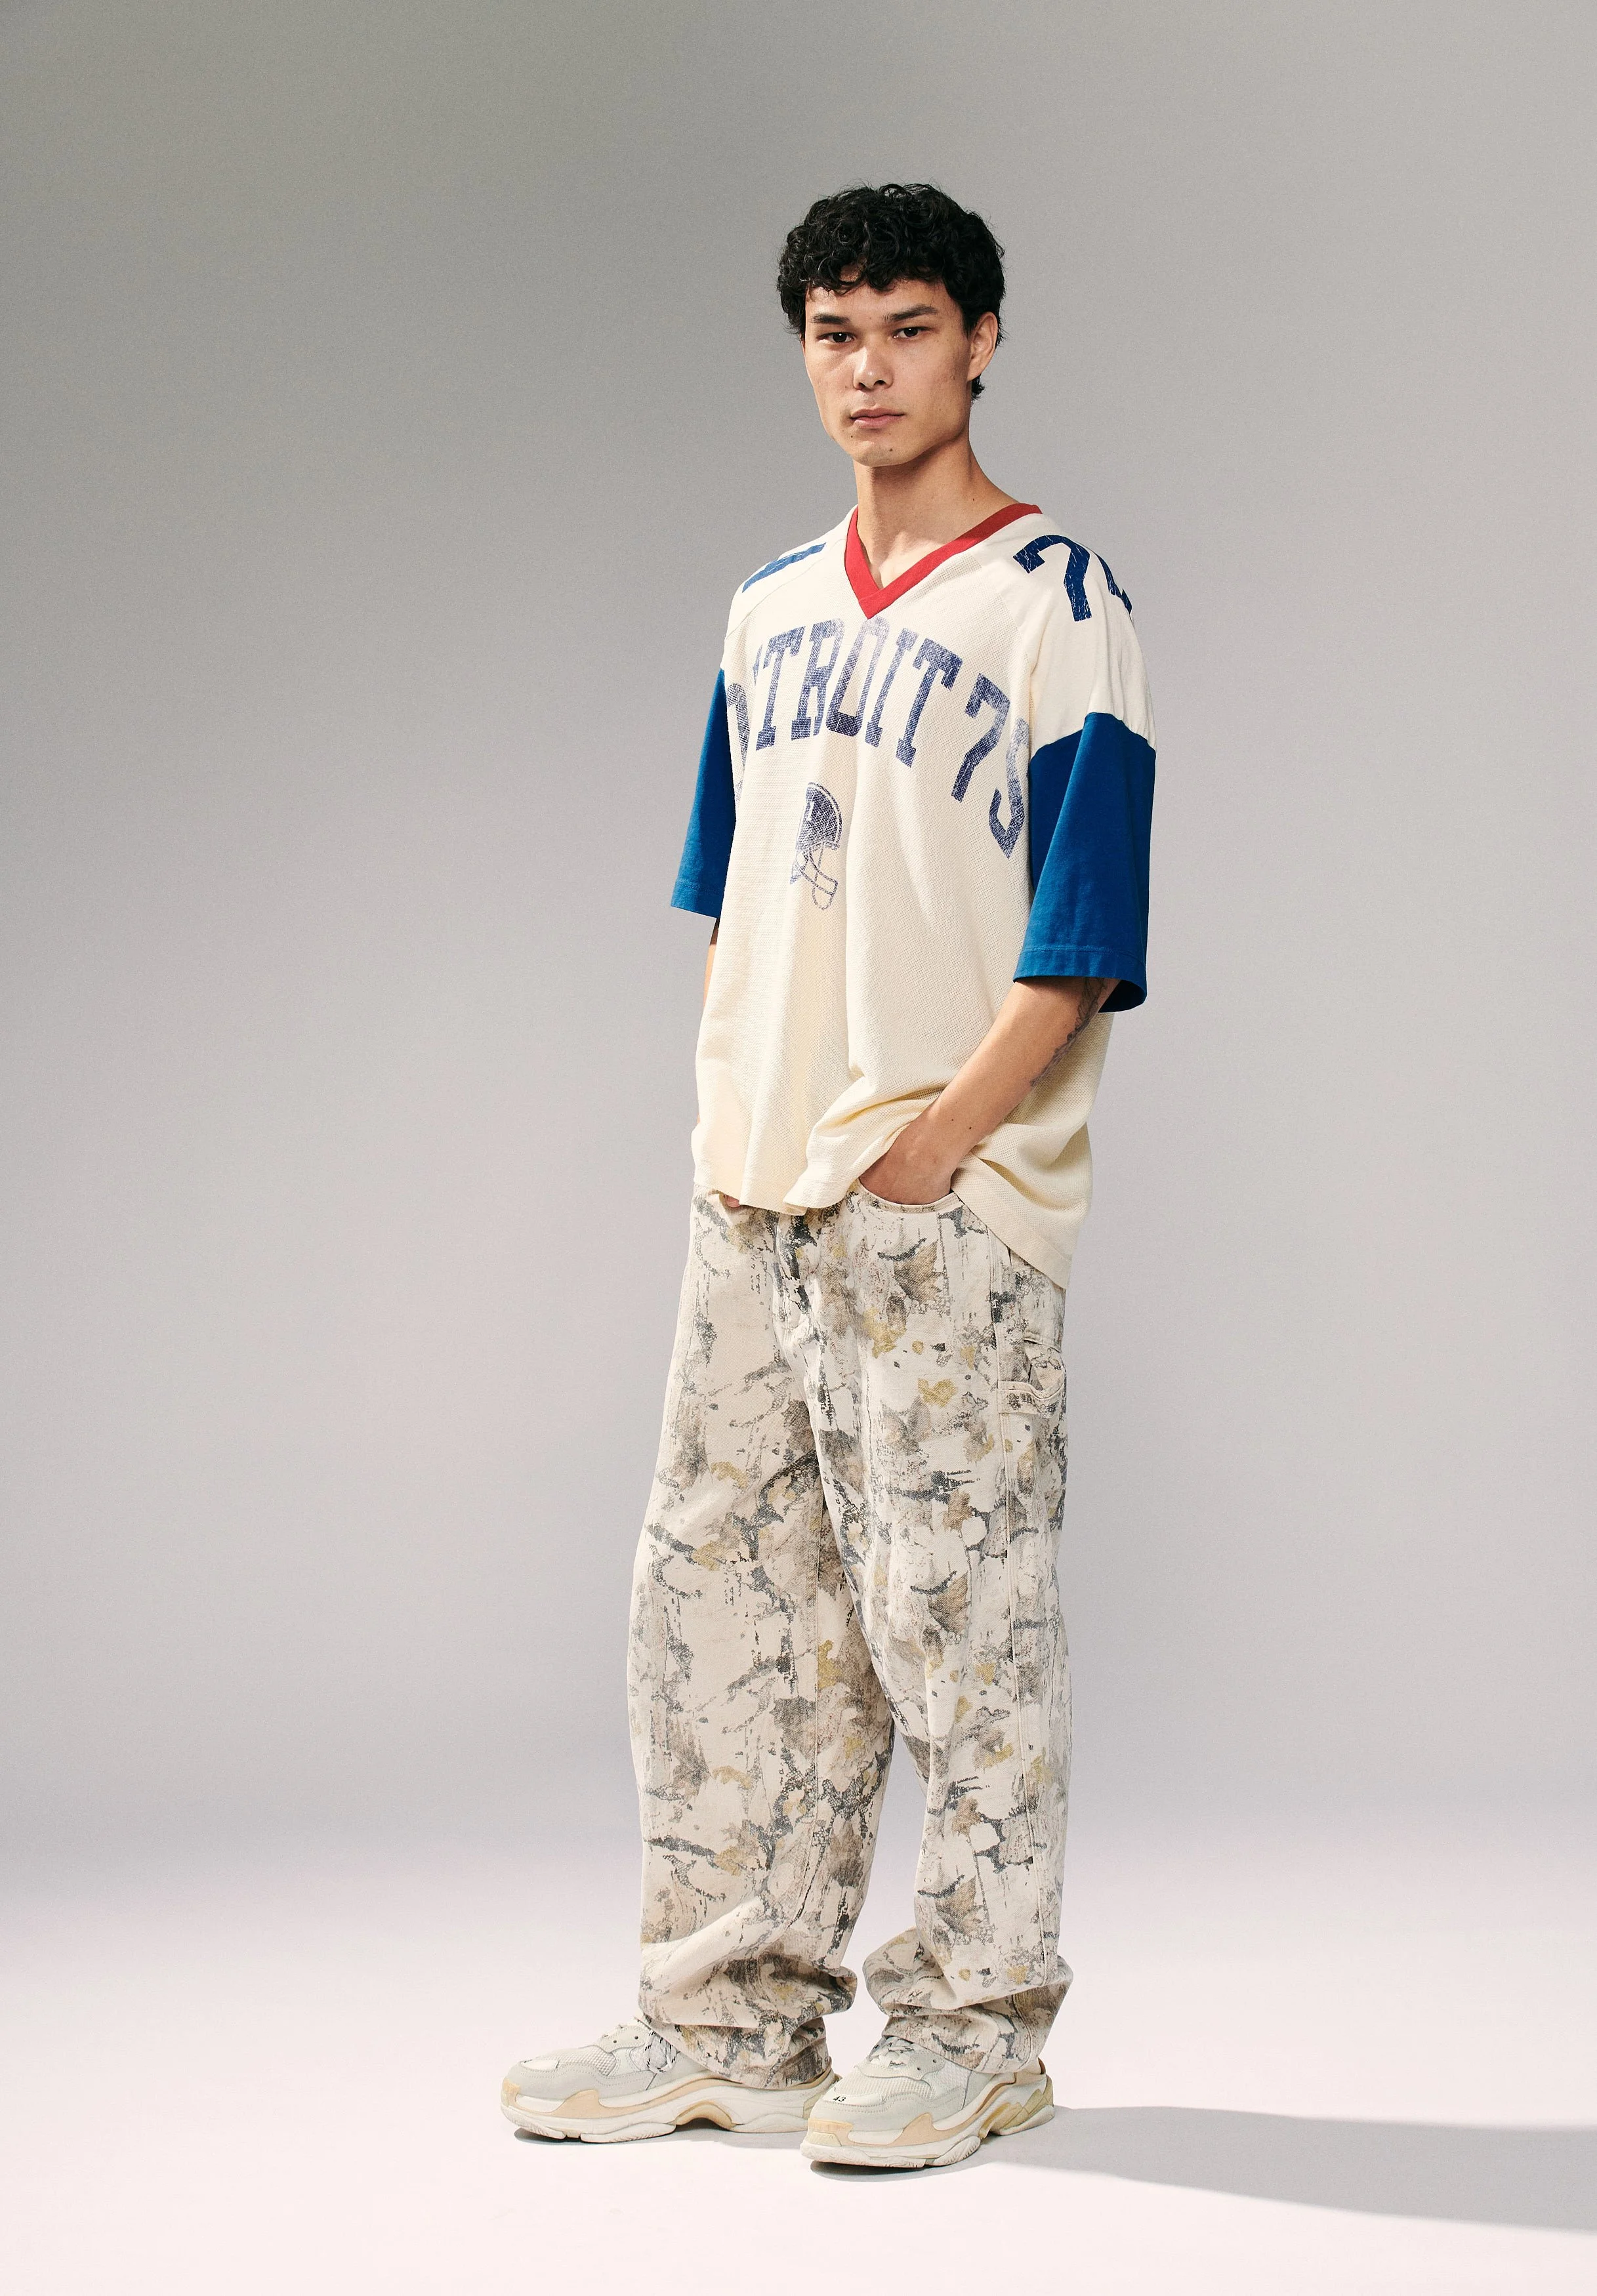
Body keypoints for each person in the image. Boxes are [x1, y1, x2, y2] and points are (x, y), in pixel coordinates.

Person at [501, 182, 1155, 2171]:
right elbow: (727, 887)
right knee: (720, 1600)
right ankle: (731, 2011)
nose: (866, 369)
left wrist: (938, 1145)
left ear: (980, 344)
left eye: (906, 329)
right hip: (753, 1188)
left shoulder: (1061, 605)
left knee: (958, 1617)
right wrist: (741, 1115)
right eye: (832, 332)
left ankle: (971, 2021)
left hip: (940, 1201)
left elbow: (1084, 932)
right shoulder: (768, 605)